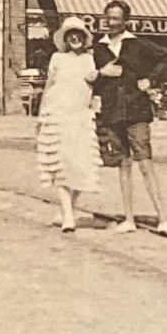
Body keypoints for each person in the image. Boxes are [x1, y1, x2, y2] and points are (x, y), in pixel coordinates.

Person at [93, 0, 167, 236]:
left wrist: (150, 80)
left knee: (145, 161)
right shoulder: (98, 48)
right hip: (111, 112)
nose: (111, 23)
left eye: (116, 18)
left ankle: (163, 218)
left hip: (136, 110)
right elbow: (89, 77)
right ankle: (129, 219)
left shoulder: (138, 44)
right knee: (123, 164)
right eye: (108, 18)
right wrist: (102, 73)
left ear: (125, 21)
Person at [37, 18, 107, 232]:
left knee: (83, 165)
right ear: (65, 38)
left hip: (81, 118)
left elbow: (99, 86)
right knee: (61, 165)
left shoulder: (90, 60)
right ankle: (68, 215)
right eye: (70, 34)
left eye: (78, 34)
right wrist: (40, 117)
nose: (74, 38)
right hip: (57, 116)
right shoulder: (57, 58)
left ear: (84, 37)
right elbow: (49, 86)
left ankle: (68, 208)